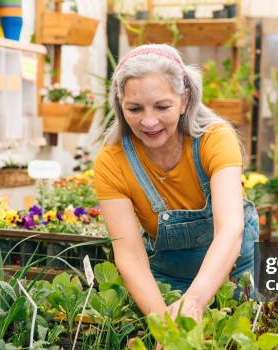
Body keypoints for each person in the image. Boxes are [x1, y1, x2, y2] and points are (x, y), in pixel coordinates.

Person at [94, 44, 258, 323]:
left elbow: (230, 229)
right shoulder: (112, 162)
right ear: (120, 104)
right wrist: (162, 323)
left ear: (185, 100)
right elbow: (130, 255)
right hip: (167, 281)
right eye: (134, 108)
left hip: (235, 273)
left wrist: (194, 302)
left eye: (162, 106)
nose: (149, 121)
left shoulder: (214, 140)